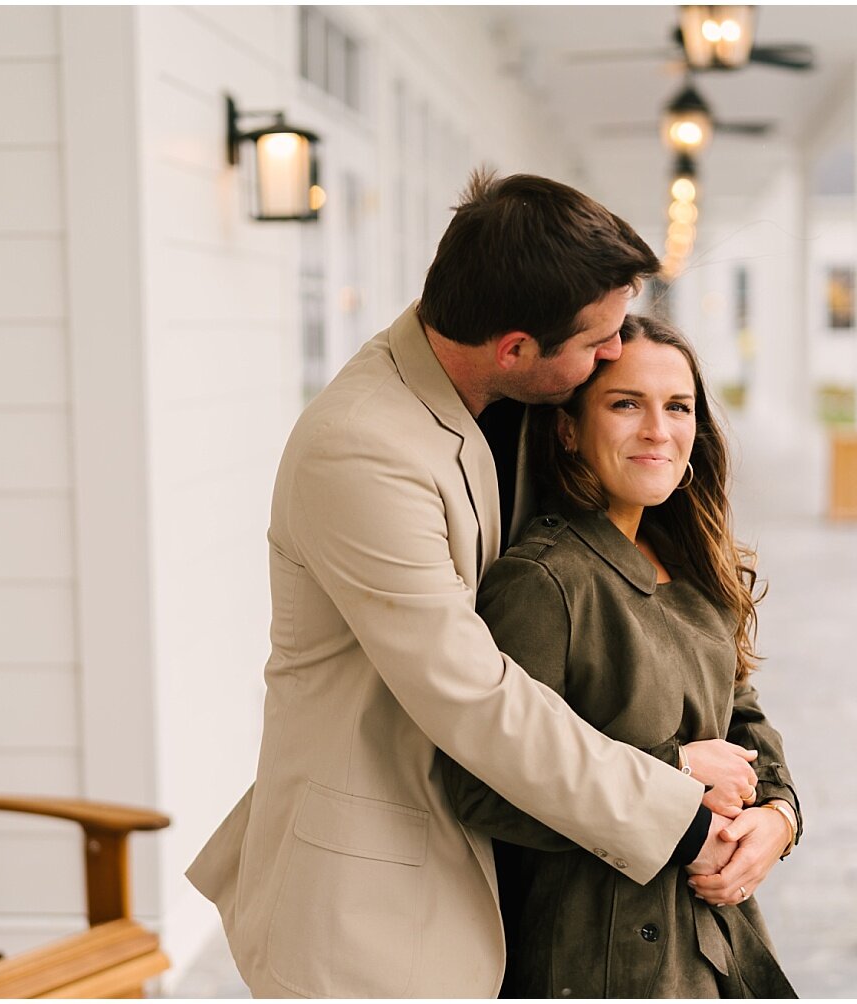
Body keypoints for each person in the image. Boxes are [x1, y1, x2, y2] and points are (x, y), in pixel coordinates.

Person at [186, 172, 772, 998]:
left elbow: (704, 662)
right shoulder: (363, 449)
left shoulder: (508, 404)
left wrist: (775, 808)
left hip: (509, 879)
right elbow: (478, 695)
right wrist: (678, 804)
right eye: (599, 342)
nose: (613, 353)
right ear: (517, 348)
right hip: (376, 899)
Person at [441, 314, 802, 998]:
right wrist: (675, 773)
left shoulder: (693, 567)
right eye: (625, 404)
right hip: (596, 963)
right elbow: (484, 789)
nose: (656, 430)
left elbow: (742, 717)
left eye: (678, 407)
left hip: (709, 949)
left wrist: (777, 819)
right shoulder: (544, 582)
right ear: (569, 429)